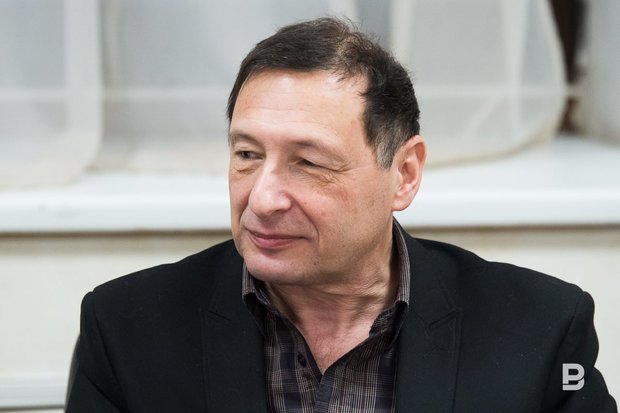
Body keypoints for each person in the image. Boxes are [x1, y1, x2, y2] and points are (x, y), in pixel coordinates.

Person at [66, 17, 616, 412]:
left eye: (308, 163)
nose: (262, 199)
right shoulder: (125, 329)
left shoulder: (541, 330)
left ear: (404, 174)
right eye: (247, 155)